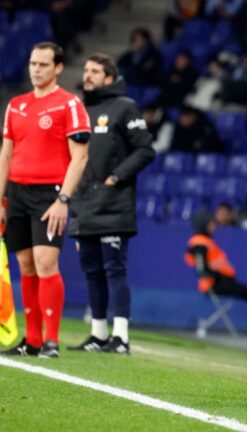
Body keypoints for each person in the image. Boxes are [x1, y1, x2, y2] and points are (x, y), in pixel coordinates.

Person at [0, 42, 91, 358]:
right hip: (17, 194)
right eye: (32, 63)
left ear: (59, 68)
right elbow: (6, 153)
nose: (36, 69)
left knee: (45, 262)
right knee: (25, 265)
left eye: (43, 64)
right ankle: (32, 340)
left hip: (50, 194)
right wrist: (1, 199)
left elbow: (80, 158)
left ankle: (51, 341)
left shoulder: (69, 105)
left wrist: (63, 199)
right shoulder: (16, 105)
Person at [66, 53, 156, 355]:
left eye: (95, 71)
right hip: (83, 203)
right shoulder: (78, 110)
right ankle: (98, 334)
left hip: (114, 203)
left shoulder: (125, 107)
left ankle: (121, 337)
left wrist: (115, 178)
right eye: (86, 69)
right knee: (91, 270)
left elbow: (145, 150)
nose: (88, 75)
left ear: (109, 77)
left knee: (114, 269)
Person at [184, 211, 247, 308]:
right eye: (211, 223)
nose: (214, 226)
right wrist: (219, 276)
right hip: (214, 285)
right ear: (203, 224)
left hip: (221, 283)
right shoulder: (200, 243)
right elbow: (201, 269)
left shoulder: (205, 241)